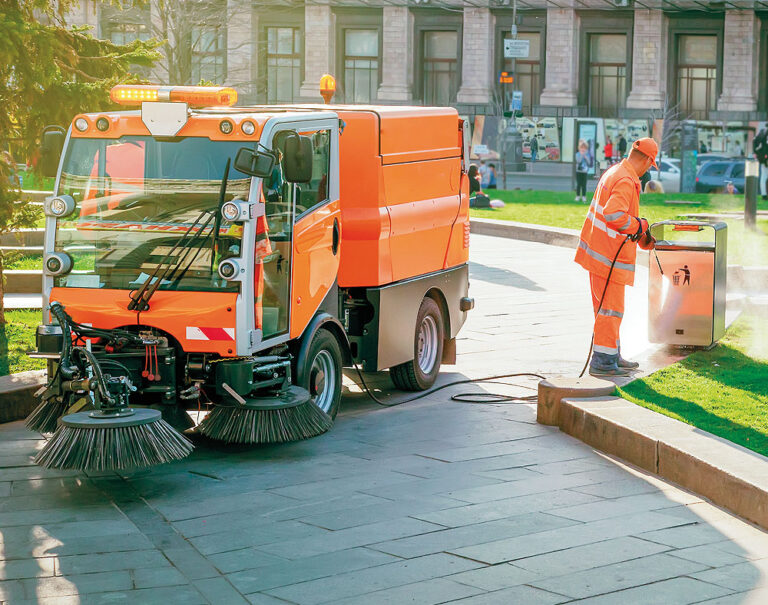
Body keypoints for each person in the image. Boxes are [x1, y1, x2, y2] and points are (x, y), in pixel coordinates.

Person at [574, 137, 658, 377]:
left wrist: (641, 235)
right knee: (610, 311)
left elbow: (619, 218)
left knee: (609, 311)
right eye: (651, 165)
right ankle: (603, 362)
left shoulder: (617, 172)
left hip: (602, 254)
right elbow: (614, 215)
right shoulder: (625, 179)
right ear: (647, 160)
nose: (649, 170)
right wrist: (640, 224)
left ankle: (611, 355)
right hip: (607, 258)